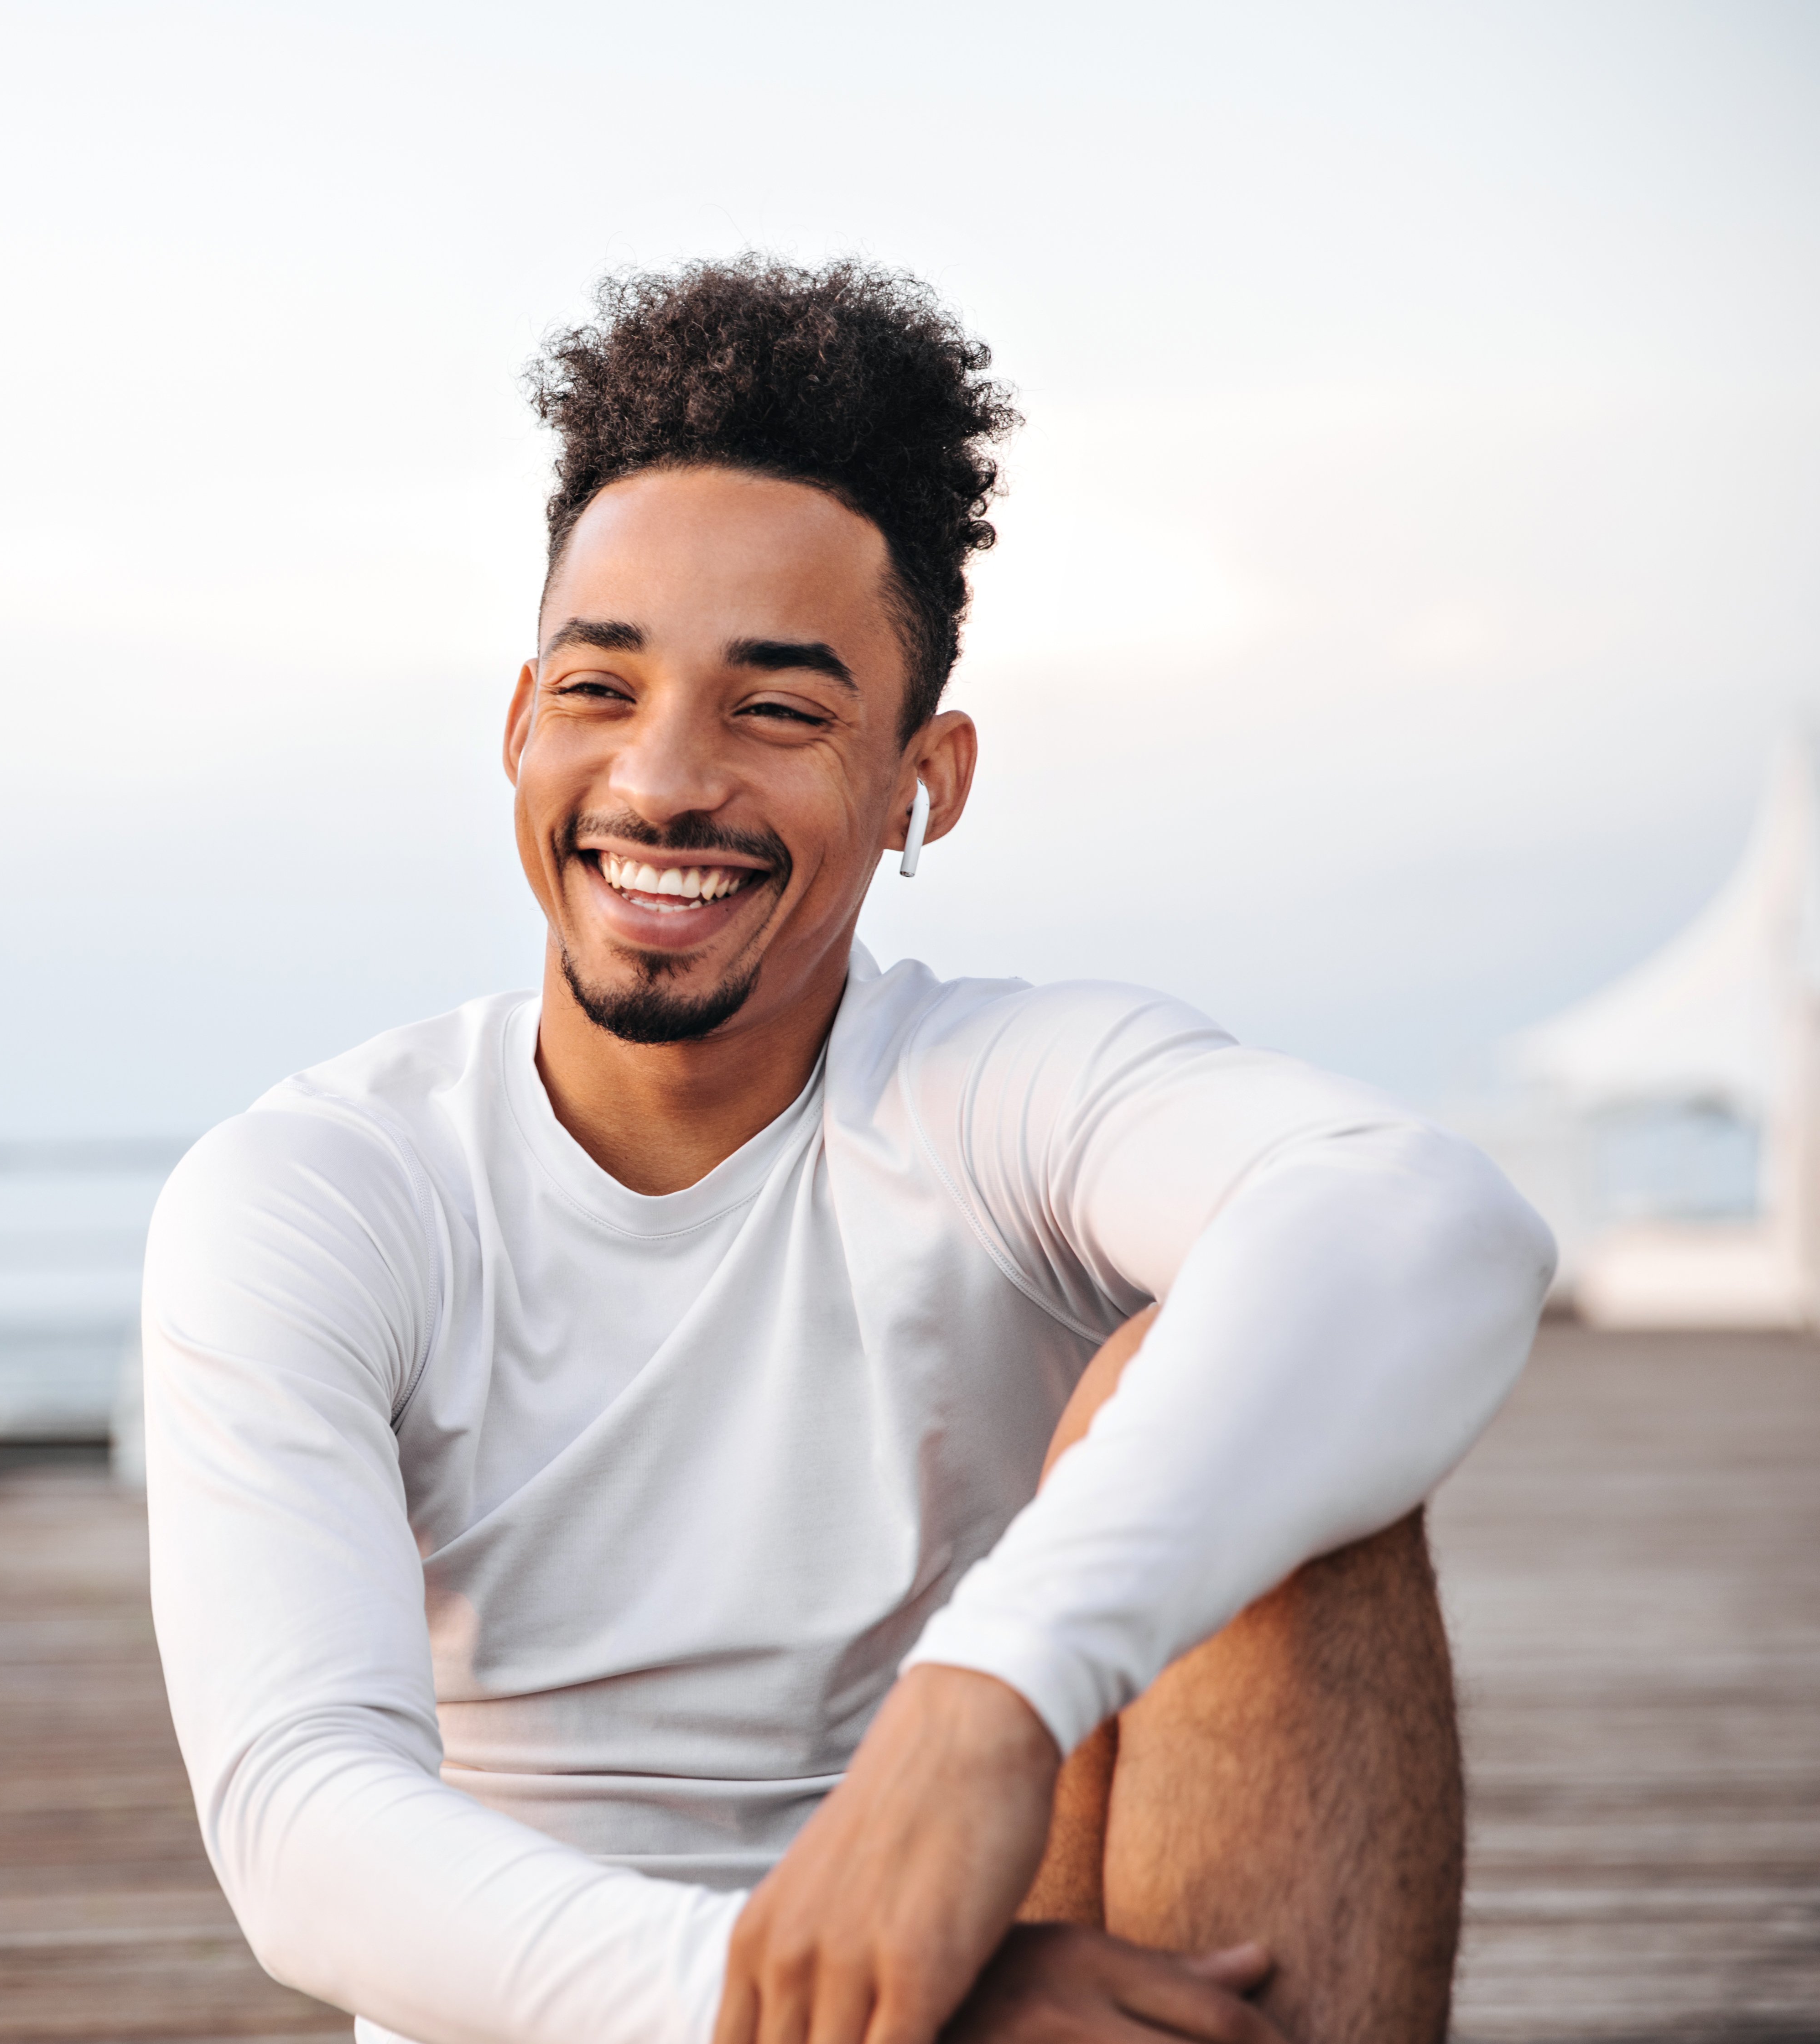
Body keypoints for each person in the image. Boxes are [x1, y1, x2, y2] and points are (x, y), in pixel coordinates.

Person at [138, 257, 1553, 2044]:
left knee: (1265, 1438)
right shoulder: (331, 1190)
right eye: (600, 687)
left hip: (1039, 1917)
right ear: (518, 725)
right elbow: (302, 1832)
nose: (662, 779)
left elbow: (1430, 1224)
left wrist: (993, 1695)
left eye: (778, 708)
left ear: (922, 784)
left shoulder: (989, 1095)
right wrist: (841, 2003)